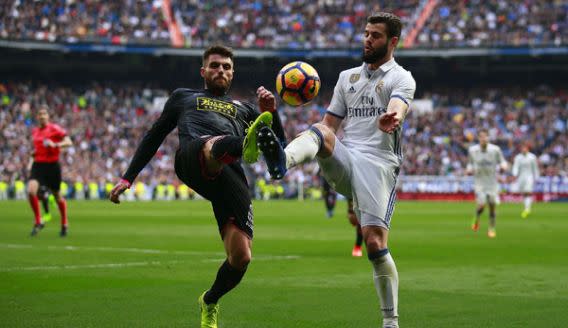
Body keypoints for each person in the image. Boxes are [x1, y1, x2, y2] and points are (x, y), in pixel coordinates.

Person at [254, 13, 415, 328]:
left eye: (375, 36)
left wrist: (393, 117)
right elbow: (330, 126)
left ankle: (390, 322)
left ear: (392, 42)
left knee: (374, 243)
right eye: (366, 34)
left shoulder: (401, 78)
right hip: (347, 156)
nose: (367, 40)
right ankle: (281, 161)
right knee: (320, 129)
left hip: (379, 164)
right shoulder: (347, 78)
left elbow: (399, 105)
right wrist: (318, 145)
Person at [109, 45, 285, 328]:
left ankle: (210, 300)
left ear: (232, 73)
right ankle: (242, 145)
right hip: (193, 156)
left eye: (227, 67)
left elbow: (280, 147)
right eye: (215, 66)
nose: (221, 71)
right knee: (211, 145)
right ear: (203, 71)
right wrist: (127, 177)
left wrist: (271, 113)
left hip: (230, 174)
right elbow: (154, 136)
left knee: (241, 257)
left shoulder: (245, 108)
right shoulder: (183, 97)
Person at [28, 106, 72, 237]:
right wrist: (34, 153)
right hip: (38, 165)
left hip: (52, 166)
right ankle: (38, 220)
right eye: (39, 114)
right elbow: (38, 148)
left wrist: (56, 145)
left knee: (57, 195)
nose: (42, 116)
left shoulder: (55, 129)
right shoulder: (35, 131)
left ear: (48, 116)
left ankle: (64, 223)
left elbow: (69, 142)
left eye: (44, 114)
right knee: (31, 191)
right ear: (37, 117)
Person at [466, 129, 508, 238]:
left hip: (492, 182)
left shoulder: (495, 150)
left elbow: (502, 161)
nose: (483, 139)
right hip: (479, 182)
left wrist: (504, 167)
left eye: (485, 136)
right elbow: (470, 164)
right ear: (478, 138)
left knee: (492, 205)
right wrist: (469, 170)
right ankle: (477, 216)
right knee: (482, 204)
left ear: (488, 138)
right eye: (481, 137)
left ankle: (491, 228)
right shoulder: (472, 150)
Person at [512, 143, 539, 218]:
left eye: (525, 148)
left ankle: (527, 209)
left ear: (528, 148)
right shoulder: (518, 157)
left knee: (528, 192)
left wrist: (536, 177)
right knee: (524, 193)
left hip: (529, 176)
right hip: (521, 177)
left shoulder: (532, 157)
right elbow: (516, 167)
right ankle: (526, 207)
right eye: (522, 148)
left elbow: (535, 168)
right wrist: (514, 174)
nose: (523, 149)